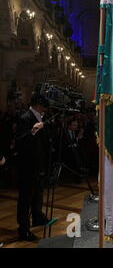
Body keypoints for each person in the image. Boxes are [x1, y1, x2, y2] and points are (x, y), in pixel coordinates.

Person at [15, 94, 52, 241]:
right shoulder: (24, 118)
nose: (45, 109)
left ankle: (38, 216)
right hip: (27, 165)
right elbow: (19, 141)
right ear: (37, 105)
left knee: (38, 193)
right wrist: (33, 131)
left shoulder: (40, 117)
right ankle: (23, 229)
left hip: (39, 163)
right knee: (25, 198)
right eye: (43, 106)